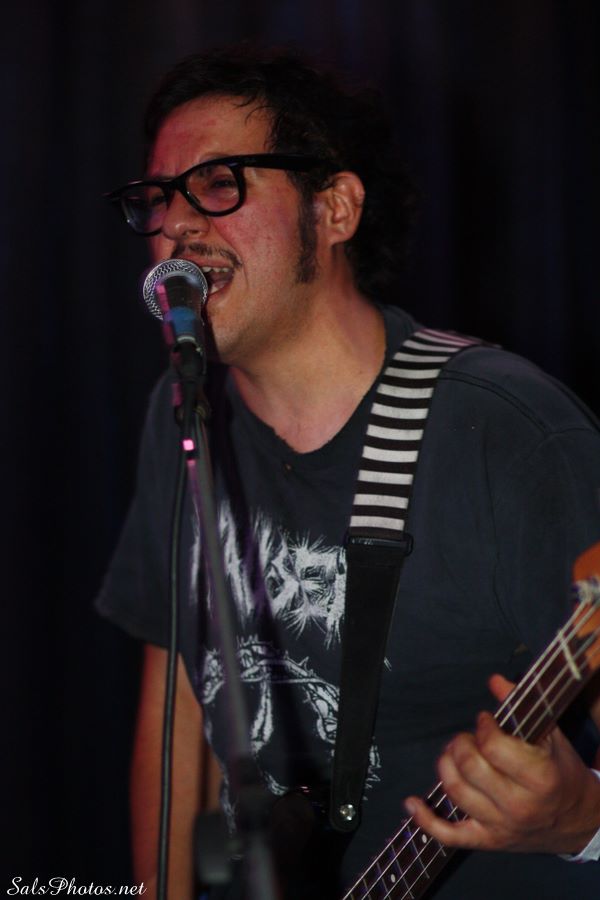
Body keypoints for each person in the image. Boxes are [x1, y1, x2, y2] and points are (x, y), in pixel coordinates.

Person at [97, 46, 600, 899]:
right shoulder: (183, 412)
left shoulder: (505, 431)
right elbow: (179, 698)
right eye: (157, 197)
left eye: (217, 183)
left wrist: (582, 820)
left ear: (334, 208)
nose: (174, 225)